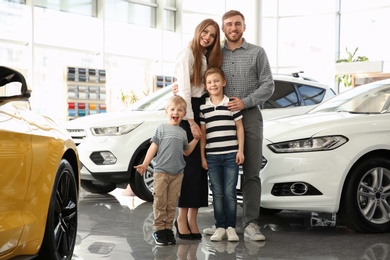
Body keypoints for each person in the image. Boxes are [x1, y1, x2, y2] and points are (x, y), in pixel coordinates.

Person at [203, 10, 275, 241]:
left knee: (251, 171)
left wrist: (245, 102)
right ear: (223, 29)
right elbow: (201, 79)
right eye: (229, 25)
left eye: (237, 24)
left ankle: (251, 223)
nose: (233, 28)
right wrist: (178, 87)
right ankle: (222, 225)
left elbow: (268, 85)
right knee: (218, 172)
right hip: (218, 118)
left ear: (244, 27)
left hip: (249, 115)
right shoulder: (214, 55)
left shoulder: (257, 53)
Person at [174, 18, 223, 240]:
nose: (208, 37)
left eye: (212, 35)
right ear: (198, 31)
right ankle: (180, 219)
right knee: (190, 169)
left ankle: (193, 219)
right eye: (205, 32)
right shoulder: (187, 54)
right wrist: (191, 121)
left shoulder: (204, 57)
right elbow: (184, 89)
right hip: (190, 112)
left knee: (200, 170)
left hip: (202, 108)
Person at [134, 95, 200, 246]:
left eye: (180, 110)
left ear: (184, 114)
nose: (176, 112)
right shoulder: (161, 128)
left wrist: (196, 139)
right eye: (172, 109)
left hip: (177, 174)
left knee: (171, 203)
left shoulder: (183, 133)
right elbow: (153, 147)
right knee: (160, 202)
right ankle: (159, 230)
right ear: (166, 111)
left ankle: (168, 230)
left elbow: (187, 151)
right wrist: (145, 164)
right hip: (162, 172)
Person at [199, 67, 244, 242]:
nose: (213, 84)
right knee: (217, 193)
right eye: (209, 82)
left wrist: (240, 150)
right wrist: (203, 157)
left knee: (230, 192)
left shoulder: (231, 104)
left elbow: (240, 128)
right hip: (212, 157)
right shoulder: (204, 108)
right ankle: (220, 226)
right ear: (205, 86)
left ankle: (230, 227)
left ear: (224, 82)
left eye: (216, 81)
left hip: (231, 155)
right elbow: (203, 134)